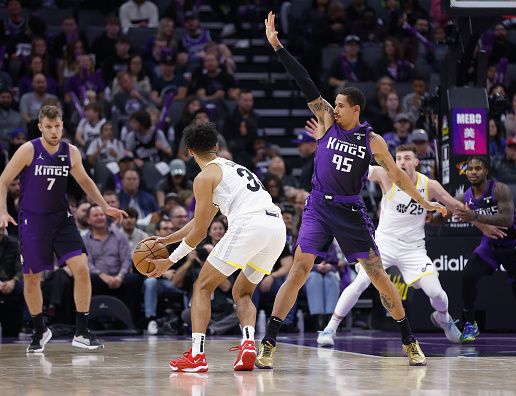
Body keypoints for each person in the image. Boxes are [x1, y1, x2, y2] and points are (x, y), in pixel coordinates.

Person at [256, 12, 446, 368]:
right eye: (335, 105)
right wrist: (277, 46)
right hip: (317, 207)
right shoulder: (327, 120)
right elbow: (305, 81)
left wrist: (423, 200)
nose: (334, 108)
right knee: (299, 269)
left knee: (376, 275)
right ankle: (269, 342)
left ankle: (409, 339)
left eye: (340, 106)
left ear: (355, 109)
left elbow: (398, 176)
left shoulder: (371, 140)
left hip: (349, 211)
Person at [315, 144, 498, 347]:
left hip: (413, 249)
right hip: (384, 244)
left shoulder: (428, 185)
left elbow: (454, 205)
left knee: (436, 293)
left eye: (407, 158)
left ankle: (444, 319)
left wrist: (482, 226)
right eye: (399, 158)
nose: (402, 162)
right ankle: (330, 329)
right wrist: (331, 154)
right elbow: (356, 167)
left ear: (416, 162)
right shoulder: (385, 175)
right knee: (360, 283)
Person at [144, 121, 286, 372]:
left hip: (249, 226)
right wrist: (166, 240)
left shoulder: (204, 176)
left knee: (201, 286)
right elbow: (200, 221)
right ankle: (248, 344)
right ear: (216, 146)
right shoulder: (234, 168)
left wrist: (169, 260)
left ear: (188, 151)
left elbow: (200, 232)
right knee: (242, 292)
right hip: (276, 228)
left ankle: (197, 356)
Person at [0, 105, 127, 353]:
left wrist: (104, 206)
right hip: (33, 220)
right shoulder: (29, 149)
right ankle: (39, 330)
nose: (54, 131)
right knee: (32, 277)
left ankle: (82, 331)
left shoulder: (71, 152)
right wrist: (3, 211)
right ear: (40, 127)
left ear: (61, 125)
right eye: (49, 127)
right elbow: (3, 180)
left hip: (61, 218)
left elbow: (85, 181)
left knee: (81, 268)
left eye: (57, 126)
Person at [454, 156, 516, 344]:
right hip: (490, 244)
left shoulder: (500, 189)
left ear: (486, 171)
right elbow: (449, 205)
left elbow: (506, 219)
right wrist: (434, 214)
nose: (473, 172)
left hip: (515, 246)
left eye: (478, 168)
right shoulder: (466, 196)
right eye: (470, 169)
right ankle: (470, 324)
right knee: (468, 276)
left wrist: (474, 215)